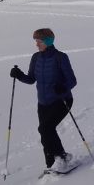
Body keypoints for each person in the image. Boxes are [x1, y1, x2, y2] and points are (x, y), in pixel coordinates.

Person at [10, 28, 78, 172]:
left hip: (62, 100)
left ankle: (61, 157)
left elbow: (72, 81)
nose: (37, 44)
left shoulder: (61, 57)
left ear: (48, 41)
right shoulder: (36, 57)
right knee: (45, 133)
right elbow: (31, 79)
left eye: (39, 41)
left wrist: (63, 87)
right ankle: (51, 165)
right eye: (36, 41)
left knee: (45, 128)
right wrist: (19, 75)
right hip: (43, 103)